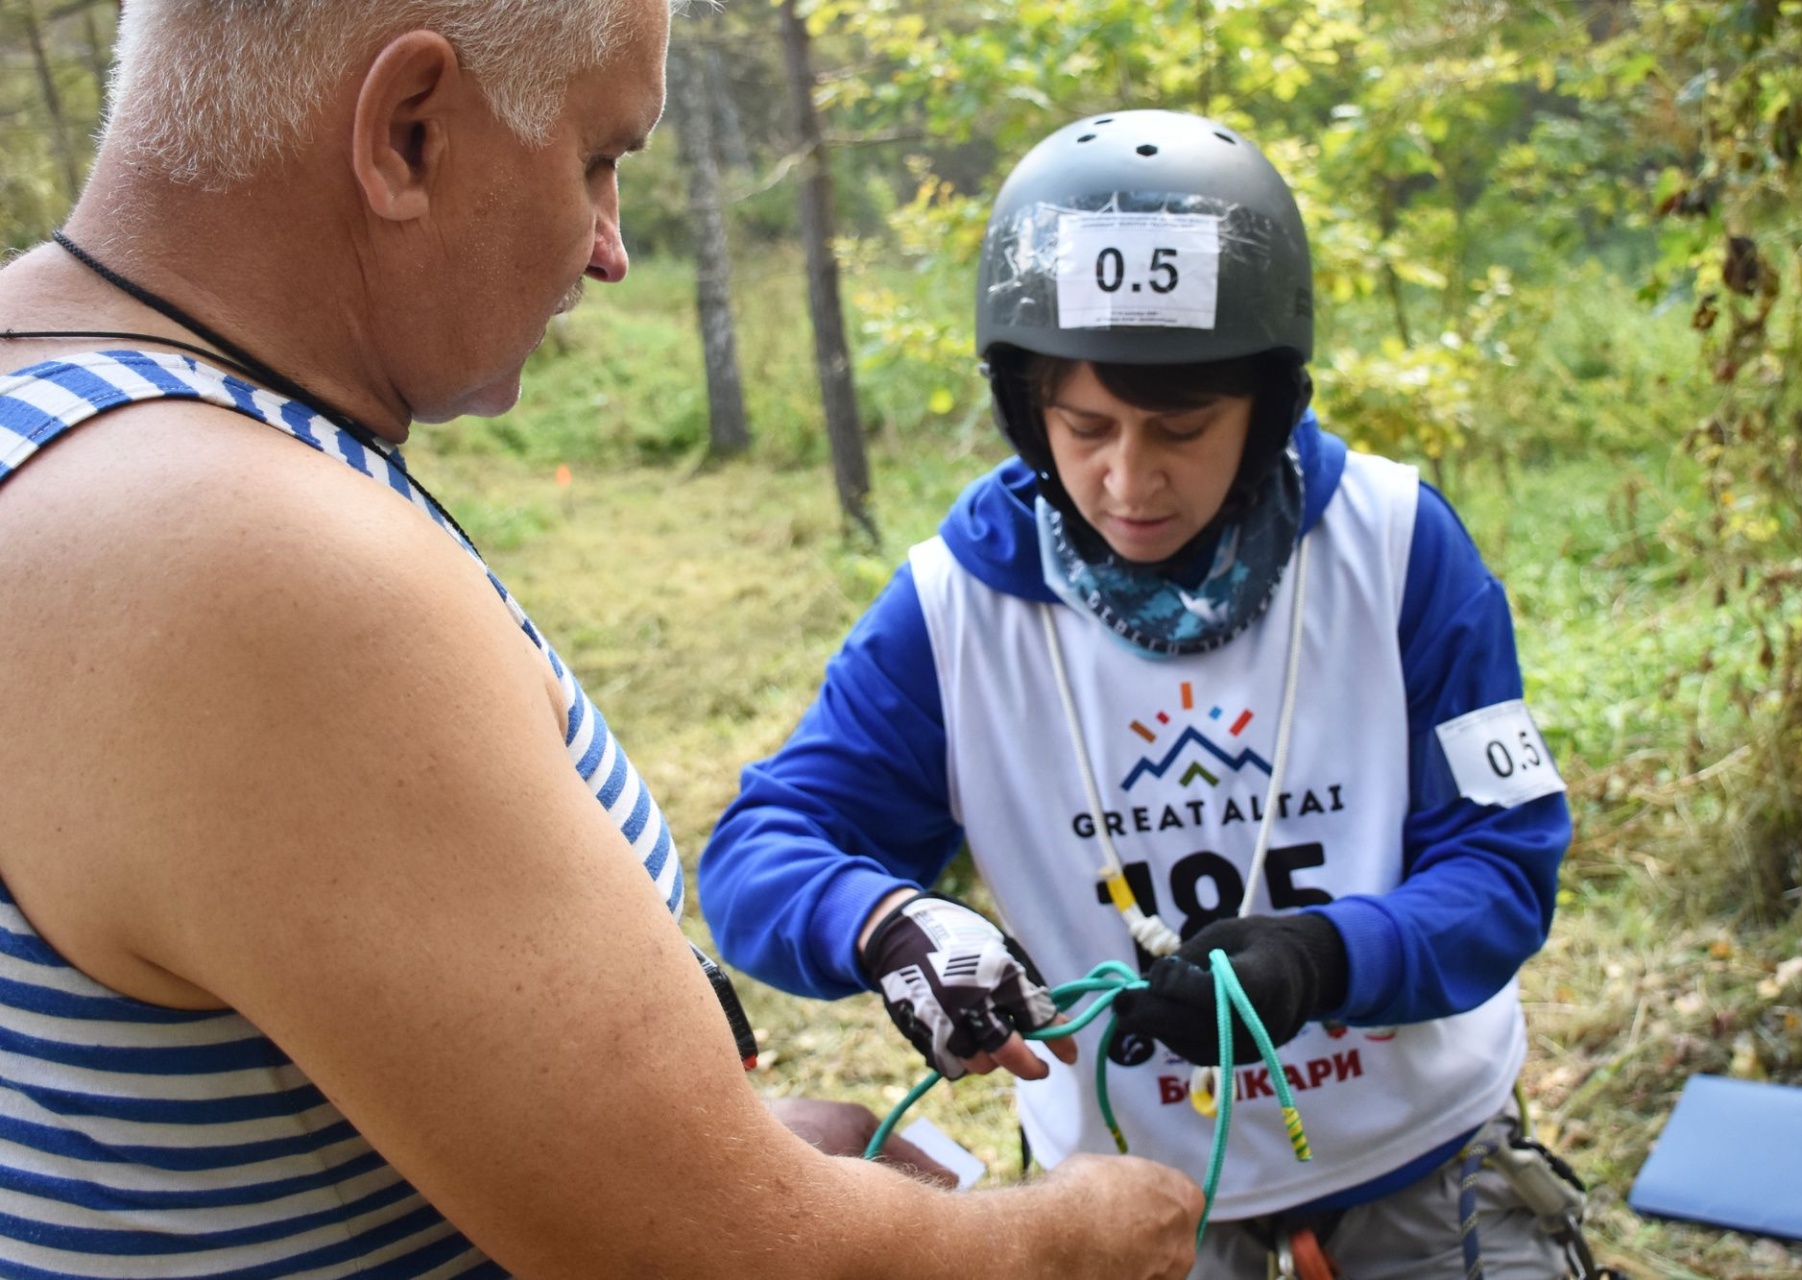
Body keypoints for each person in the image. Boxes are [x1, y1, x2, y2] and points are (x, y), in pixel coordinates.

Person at [0, 7, 1205, 1277]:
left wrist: (646, 1150)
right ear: (407, 133)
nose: (613, 246)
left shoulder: (66, 422)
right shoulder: (241, 557)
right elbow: (732, 1262)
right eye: (597, 159)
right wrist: (1076, 1235)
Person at [700, 109, 1583, 1278]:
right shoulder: (958, 609)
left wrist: (1328, 955)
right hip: (1125, 1193)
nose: (1129, 479)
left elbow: (1503, 858)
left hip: (1419, 1148)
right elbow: (763, 847)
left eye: (1182, 428)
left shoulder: (1398, 547)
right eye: (1085, 426)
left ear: (1267, 407)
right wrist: (891, 924)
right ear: (1028, 409)